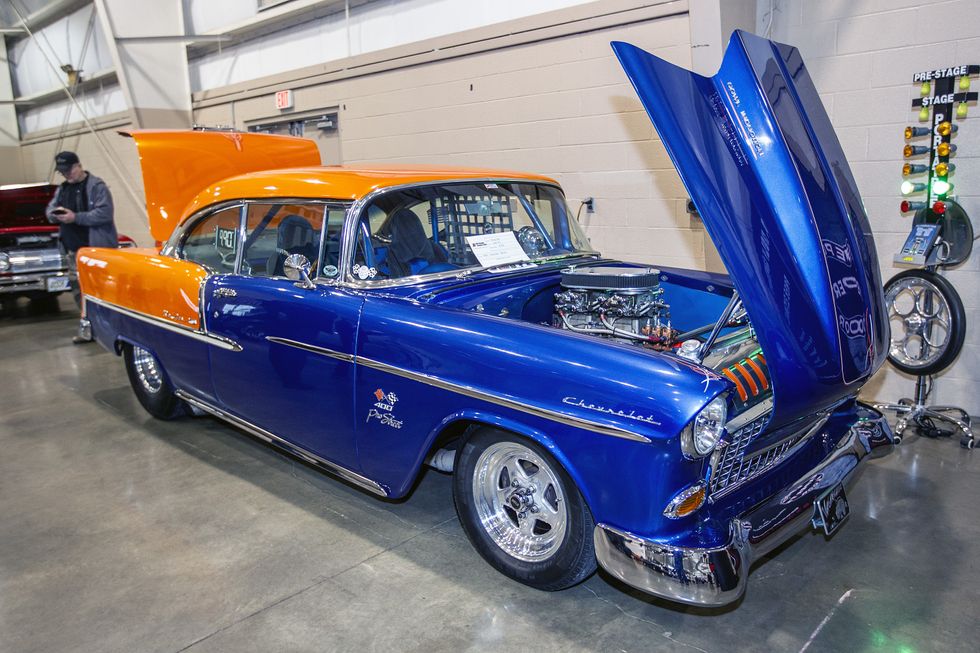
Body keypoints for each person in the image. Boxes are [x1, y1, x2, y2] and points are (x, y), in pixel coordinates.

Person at [45, 151, 118, 343]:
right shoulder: (62, 189)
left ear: (78, 165)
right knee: (79, 291)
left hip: (96, 251)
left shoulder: (96, 186)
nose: (67, 175)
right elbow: (49, 210)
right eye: (63, 172)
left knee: (101, 291)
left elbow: (104, 213)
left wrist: (74, 217)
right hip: (73, 252)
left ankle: (112, 329)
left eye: (69, 170)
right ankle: (90, 329)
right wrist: (55, 214)